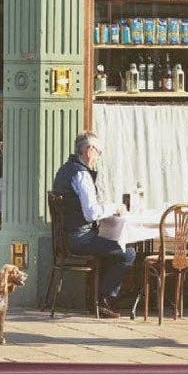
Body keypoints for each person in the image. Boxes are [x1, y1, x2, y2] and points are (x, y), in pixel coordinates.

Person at [51, 131, 136, 316]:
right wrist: (115, 208)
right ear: (89, 151)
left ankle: (97, 298)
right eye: (99, 152)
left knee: (111, 247)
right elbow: (91, 213)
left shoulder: (65, 170)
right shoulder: (81, 174)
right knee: (127, 253)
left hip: (65, 237)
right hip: (80, 239)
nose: (98, 158)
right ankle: (103, 300)